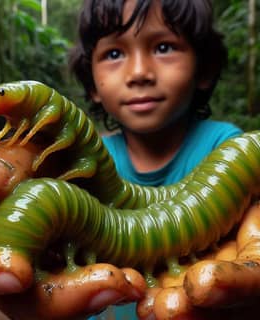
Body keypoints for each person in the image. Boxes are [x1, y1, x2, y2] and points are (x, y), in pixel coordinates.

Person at [67, 0, 243, 319]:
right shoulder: (81, 168)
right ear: (92, 84)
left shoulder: (226, 147)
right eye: (115, 54)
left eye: (163, 47)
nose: (139, 73)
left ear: (203, 69)